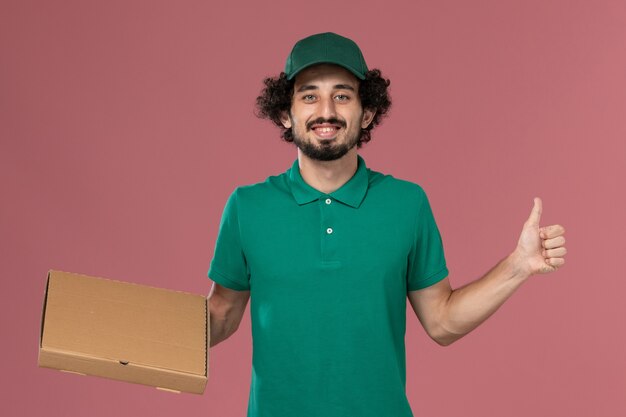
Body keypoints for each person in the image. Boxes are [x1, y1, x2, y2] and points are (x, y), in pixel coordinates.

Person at [206, 32, 566, 417]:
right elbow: (222, 316)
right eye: (309, 96)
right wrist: (148, 336)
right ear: (285, 112)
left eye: (342, 96)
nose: (325, 110)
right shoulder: (248, 206)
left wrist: (519, 265)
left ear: (368, 112)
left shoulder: (406, 204)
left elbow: (442, 321)